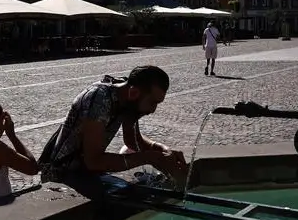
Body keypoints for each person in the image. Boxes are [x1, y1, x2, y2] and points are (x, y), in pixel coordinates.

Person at [38, 66, 187, 189]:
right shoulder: (99, 99)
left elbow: (132, 141)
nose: (153, 110)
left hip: (83, 172)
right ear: (134, 93)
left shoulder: (128, 97)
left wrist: (162, 150)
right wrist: (148, 157)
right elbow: (93, 161)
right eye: (152, 102)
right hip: (61, 176)